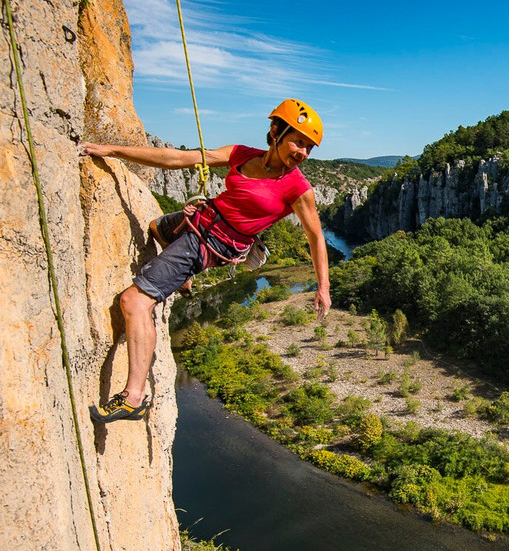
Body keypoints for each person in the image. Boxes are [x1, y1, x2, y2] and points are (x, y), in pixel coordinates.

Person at [81, 98, 331, 423]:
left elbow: (316, 238)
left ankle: (134, 397)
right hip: (200, 220)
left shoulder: (298, 188)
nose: (303, 153)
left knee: (134, 302)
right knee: (158, 227)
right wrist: (112, 150)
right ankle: (183, 278)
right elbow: (178, 158)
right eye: (299, 141)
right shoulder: (242, 155)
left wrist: (323, 287)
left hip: (207, 243)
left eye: (309, 148)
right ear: (275, 131)